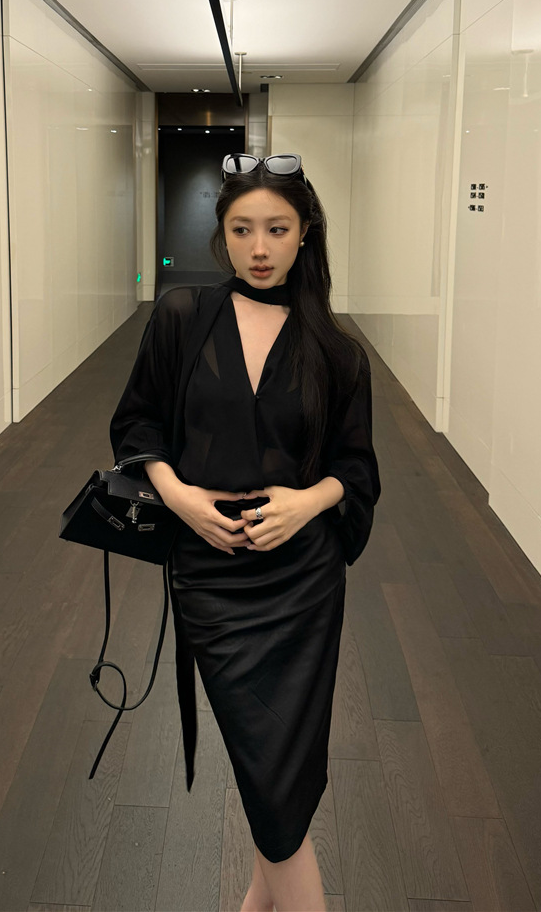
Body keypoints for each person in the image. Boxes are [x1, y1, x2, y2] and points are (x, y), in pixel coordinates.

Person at [109, 152, 380, 912]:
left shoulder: (337, 351)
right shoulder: (182, 317)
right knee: (267, 771)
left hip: (303, 587)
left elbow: (357, 470)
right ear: (222, 236)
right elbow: (137, 423)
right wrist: (179, 497)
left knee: (280, 773)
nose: (259, 248)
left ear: (306, 233)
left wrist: (306, 503)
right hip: (211, 578)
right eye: (242, 229)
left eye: (277, 229)